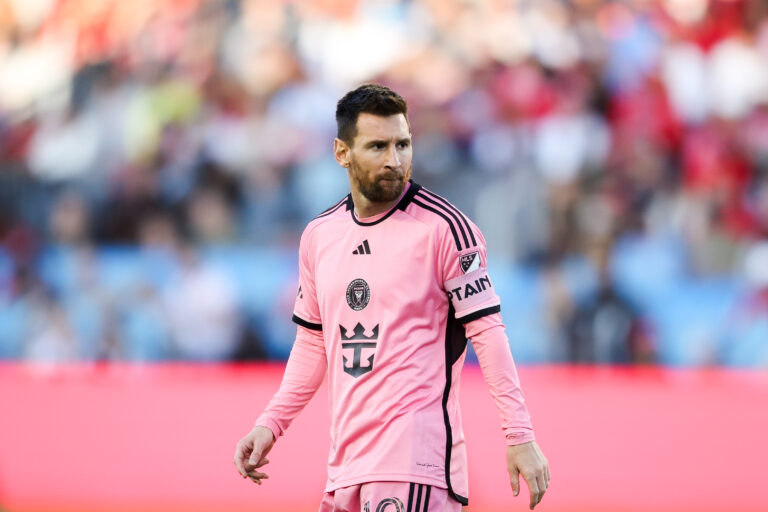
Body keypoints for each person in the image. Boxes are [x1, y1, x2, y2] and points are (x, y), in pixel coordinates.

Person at [234, 84, 549, 511]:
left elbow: (488, 334)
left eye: (403, 144)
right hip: (345, 466)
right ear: (342, 152)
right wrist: (270, 424)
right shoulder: (319, 237)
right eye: (378, 146)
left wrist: (519, 436)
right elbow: (312, 343)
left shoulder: (446, 229)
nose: (394, 160)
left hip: (414, 466)